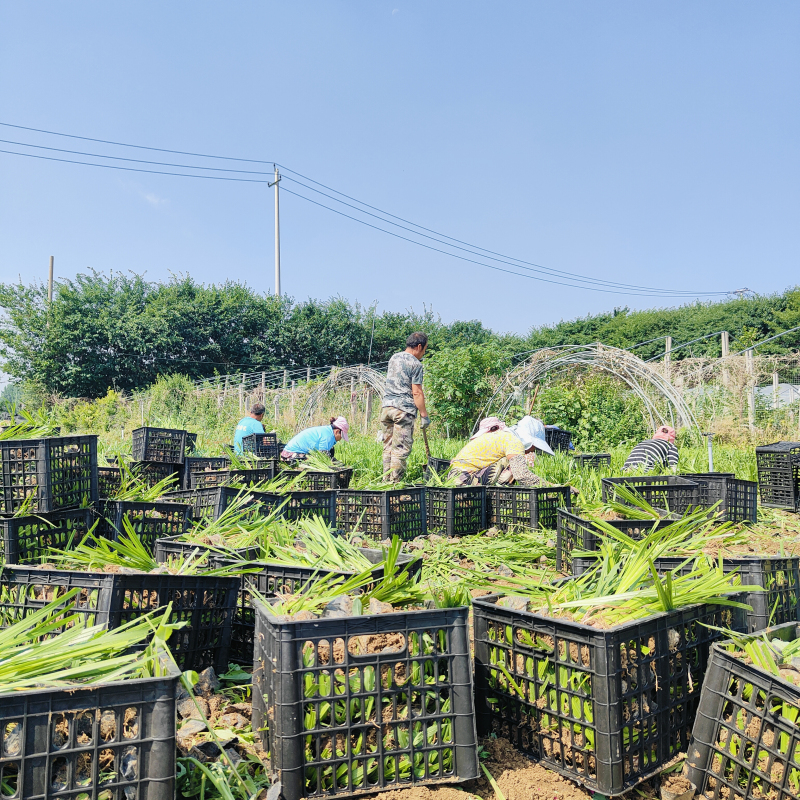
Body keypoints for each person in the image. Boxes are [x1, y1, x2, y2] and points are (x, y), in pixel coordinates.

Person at [449, 415, 555, 487]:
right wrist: (553, 486)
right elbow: (522, 475)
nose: (534, 451)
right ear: (531, 442)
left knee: (512, 462)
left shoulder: (503, 436)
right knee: (513, 465)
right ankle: (496, 499)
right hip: (464, 479)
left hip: (454, 477)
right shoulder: (514, 442)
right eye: (535, 447)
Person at [380, 331, 430, 482]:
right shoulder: (416, 364)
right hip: (403, 410)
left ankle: (385, 481)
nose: (424, 353)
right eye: (425, 349)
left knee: (388, 447)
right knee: (400, 449)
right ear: (419, 346)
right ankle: (395, 484)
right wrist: (424, 415)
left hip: (387, 408)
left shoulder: (393, 358)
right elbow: (417, 392)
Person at [281, 417, 350, 462]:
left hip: (289, 453)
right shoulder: (328, 436)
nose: (341, 438)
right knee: (312, 462)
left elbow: (329, 453)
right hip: (290, 455)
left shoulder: (327, 431)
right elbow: (324, 456)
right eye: (341, 436)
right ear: (337, 431)